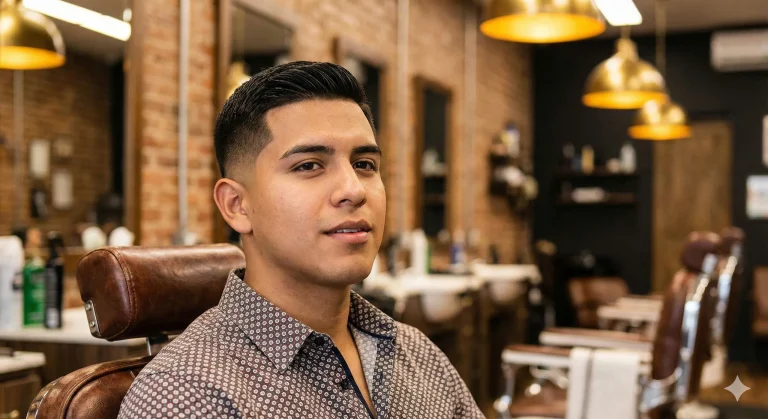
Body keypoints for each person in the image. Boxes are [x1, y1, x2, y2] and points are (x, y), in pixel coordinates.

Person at [118, 61, 484, 418]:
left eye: (364, 164)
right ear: (237, 205)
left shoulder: (418, 354)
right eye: (308, 165)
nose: (354, 190)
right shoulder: (186, 395)